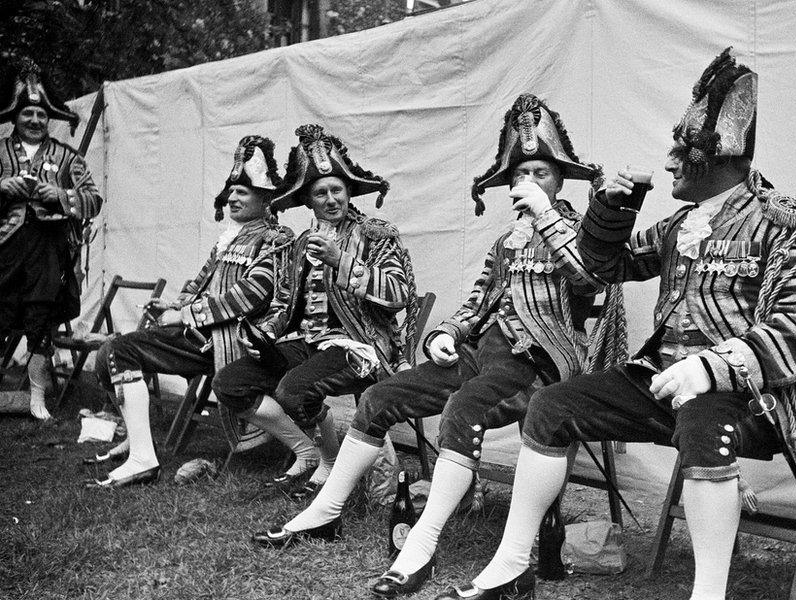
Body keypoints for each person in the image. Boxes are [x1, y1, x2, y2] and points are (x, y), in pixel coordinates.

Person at [439, 49, 796, 600]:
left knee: (704, 424)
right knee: (552, 405)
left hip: (748, 397)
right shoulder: (680, 224)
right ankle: (513, 564)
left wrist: (716, 365)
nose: (671, 163)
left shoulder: (778, 223)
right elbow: (606, 269)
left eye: (681, 151)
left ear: (714, 156)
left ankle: (709, 593)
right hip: (661, 381)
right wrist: (611, 211)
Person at [251, 93, 619, 599]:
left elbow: (589, 279)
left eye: (541, 173)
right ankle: (324, 514)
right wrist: (446, 332)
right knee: (382, 398)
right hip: (479, 355)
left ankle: (420, 547)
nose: (528, 183)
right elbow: (475, 304)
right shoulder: (505, 243)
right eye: (521, 176)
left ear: (560, 180)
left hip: (540, 361)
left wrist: (545, 217)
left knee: (464, 409)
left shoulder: (581, 230)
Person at [212, 124, 418, 494]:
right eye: (320, 193)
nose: (330, 199)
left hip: (363, 347)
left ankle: (348, 468)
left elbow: (399, 293)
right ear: (308, 200)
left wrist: (342, 261)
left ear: (349, 191)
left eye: (336, 189)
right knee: (230, 382)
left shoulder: (376, 234)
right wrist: (266, 332)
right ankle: (322, 456)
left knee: (293, 392)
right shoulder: (303, 241)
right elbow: (285, 302)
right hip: (312, 343)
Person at [86, 135, 293, 488]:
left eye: (243, 192)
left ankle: (142, 459)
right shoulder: (229, 237)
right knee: (111, 352)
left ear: (266, 198)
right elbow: (198, 283)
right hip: (203, 334)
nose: (232, 197)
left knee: (118, 352)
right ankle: (138, 443)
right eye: (231, 191)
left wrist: (186, 316)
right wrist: (176, 304)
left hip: (233, 343)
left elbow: (253, 295)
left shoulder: (276, 238)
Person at [0, 58, 103, 421]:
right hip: (5, 251)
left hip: (48, 252)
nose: (34, 121)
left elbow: (93, 200)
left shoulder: (68, 158)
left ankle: (36, 400)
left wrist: (57, 195)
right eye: (28, 113)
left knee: (41, 323)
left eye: (41, 116)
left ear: (49, 121)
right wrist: (2, 188)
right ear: (15, 117)